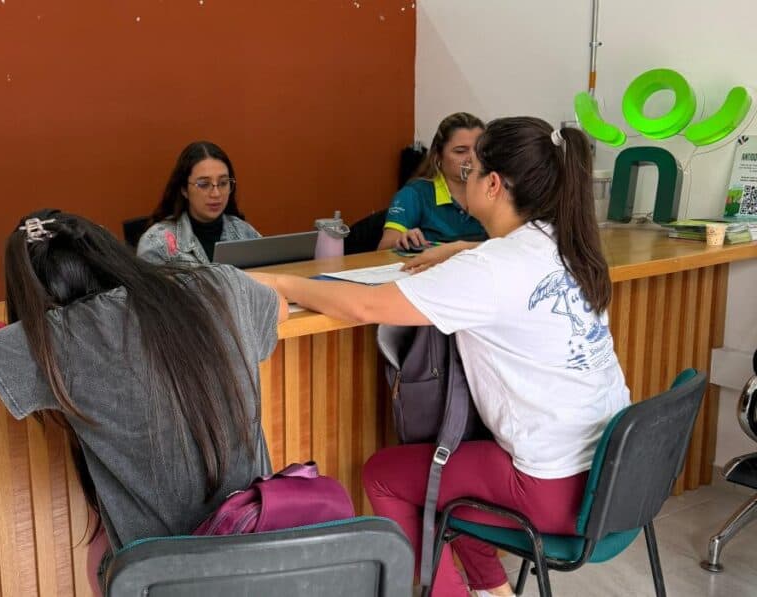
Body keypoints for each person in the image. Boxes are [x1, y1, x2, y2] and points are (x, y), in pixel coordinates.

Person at [251, 117, 629, 597]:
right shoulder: (569, 245)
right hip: (612, 477)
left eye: (472, 170)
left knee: (385, 476)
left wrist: (279, 282)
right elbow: (507, 271)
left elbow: (367, 306)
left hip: (552, 489)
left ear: (493, 184)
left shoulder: (491, 270)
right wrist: (462, 250)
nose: (464, 178)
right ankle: (494, 591)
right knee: (457, 473)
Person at [0, 209, 286, 594]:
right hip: (273, 560)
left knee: (102, 545)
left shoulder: (61, 338)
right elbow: (279, 308)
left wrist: (20, 335)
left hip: (165, 581)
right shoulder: (218, 284)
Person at [378, 112, 488, 251]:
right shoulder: (415, 193)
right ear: (438, 156)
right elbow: (384, 249)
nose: (471, 158)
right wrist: (403, 241)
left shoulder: (494, 191)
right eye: (460, 151)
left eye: (478, 150)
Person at [138, 141, 260, 265]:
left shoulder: (245, 233)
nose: (216, 194)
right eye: (204, 184)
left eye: (223, 183)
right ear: (184, 190)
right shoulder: (158, 243)